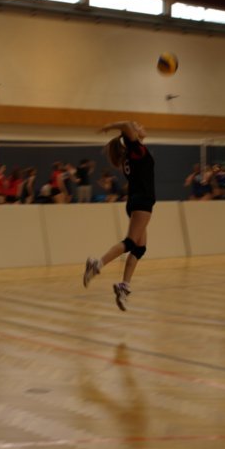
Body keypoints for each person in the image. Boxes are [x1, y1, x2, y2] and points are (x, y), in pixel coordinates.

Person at [83, 121, 155, 311]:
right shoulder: (135, 150)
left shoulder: (132, 154)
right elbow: (126, 124)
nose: (141, 126)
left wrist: (131, 133)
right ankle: (97, 264)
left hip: (137, 201)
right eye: (138, 126)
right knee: (130, 243)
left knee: (140, 249)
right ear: (131, 136)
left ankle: (124, 287)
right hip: (142, 202)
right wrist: (108, 126)